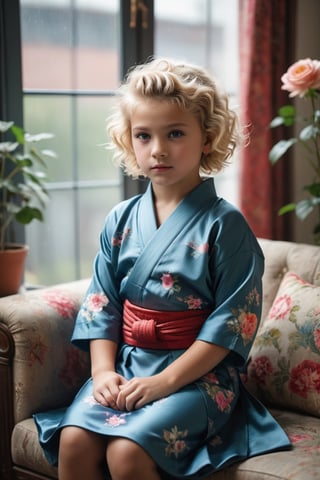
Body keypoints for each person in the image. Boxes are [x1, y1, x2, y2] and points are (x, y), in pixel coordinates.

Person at [34, 57, 291, 480]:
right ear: (129, 141)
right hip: (130, 365)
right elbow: (103, 304)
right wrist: (102, 372)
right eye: (143, 135)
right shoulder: (120, 219)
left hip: (199, 376)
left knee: (127, 454)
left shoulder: (226, 225)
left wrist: (165, 383)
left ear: (206, 138)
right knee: (74, 441)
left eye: (175, 133)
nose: (158, 149)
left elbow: (231, 325)